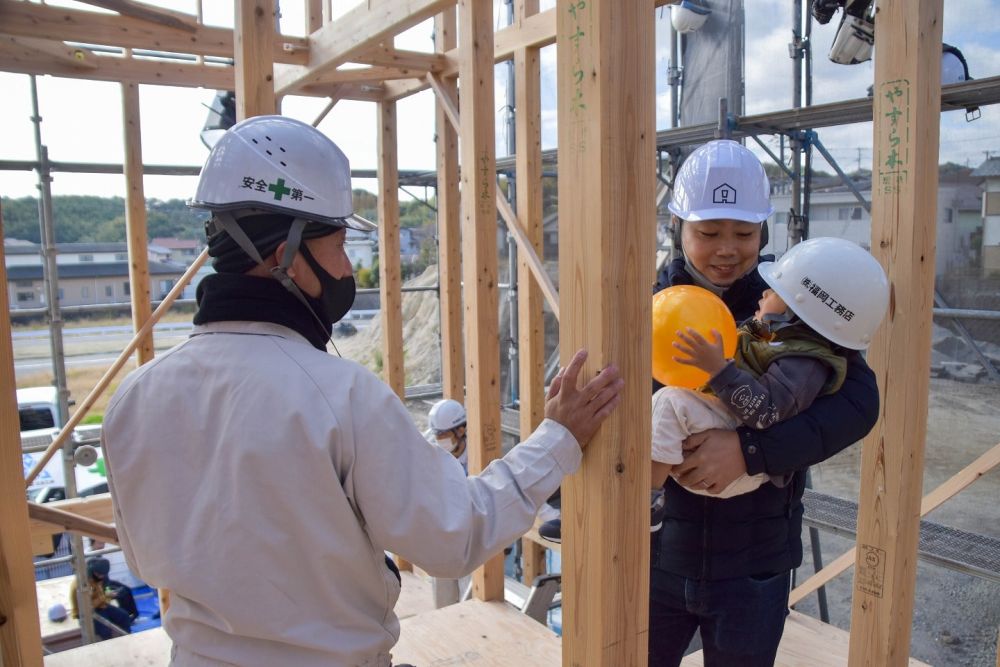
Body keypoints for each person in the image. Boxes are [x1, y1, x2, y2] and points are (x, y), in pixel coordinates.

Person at [101, 115, 623, 667]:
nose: (348, 267)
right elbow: (454, 536)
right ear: (285, 257)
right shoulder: (340, 397)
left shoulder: (134, 398)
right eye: (338, 244)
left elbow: (143, 557)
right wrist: (558, 438)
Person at [647, 139, 881, 667]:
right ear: (678, 229)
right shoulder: (648, 307)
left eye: (744, 234)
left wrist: (750, 451)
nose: (727, 249)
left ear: (764, 235)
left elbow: (859, 404)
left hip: (754, 564)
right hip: (657, 558)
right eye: (708, 233)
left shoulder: (795, 303)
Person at [648, 236, 888, 500]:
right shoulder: (771, 334)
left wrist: (719, 369)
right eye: (708, 232)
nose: (764, 293)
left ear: (797, 312)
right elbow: (742, 336)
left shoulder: (804, 362)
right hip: (709, 454)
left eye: (775, 292)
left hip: (739, 461)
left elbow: (766, 412)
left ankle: (647, 500)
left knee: (669, 403)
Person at [69, 557, 135, 640]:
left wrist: (109, 595)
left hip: (100, 606)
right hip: (86, 612)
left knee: (124, 616)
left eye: (103, 575)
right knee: (105, 630)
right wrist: (106, 596)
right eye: (99, 574)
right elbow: (88, 606)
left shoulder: (96, 577)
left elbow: (100, 593)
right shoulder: (82, 585)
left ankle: (127, 640)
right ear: (92, 571)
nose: (101, 577)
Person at [424, 398, 469, 473]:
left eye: (442, 433)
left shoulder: (476, 454)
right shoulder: (427, 447)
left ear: (460, 431)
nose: (437, 438)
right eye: (436, 433)